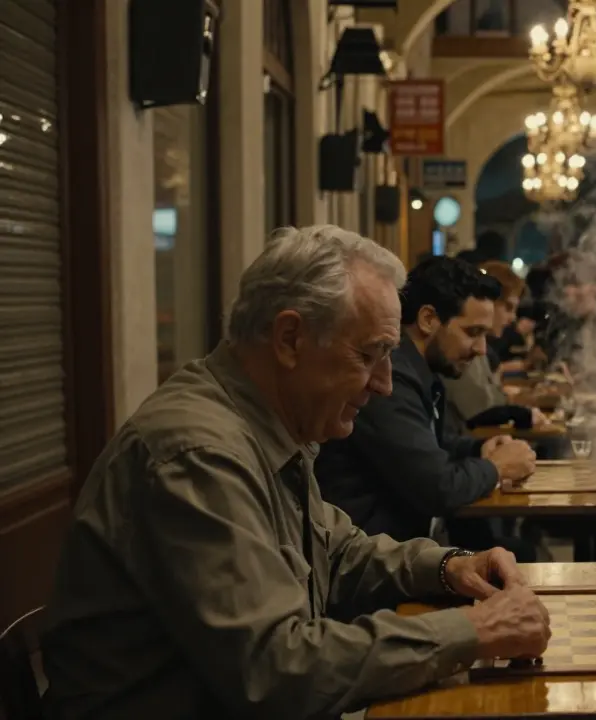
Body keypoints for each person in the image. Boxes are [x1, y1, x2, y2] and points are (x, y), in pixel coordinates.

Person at [40, 226, 552, 720]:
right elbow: (278, 672)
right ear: (289, 338)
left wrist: (448, 566)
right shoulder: (199, 451)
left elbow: (337, 550)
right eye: (369, 355)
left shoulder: (270, 422)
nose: (384, 385)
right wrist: (471, 631)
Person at [314, 255, 537, 557]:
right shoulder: (391, 378)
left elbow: (433, 443)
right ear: (428, 319)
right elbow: (438, 488)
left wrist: (478, 449)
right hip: (372, 561)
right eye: (473, 332)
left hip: (404, 548)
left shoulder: (419, 369)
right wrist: (497, 467)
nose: (482, 349)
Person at [442, 260, 550, 432]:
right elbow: (479, 409)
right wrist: (518, 409)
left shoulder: (479, 345)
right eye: (508, 307)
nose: (513, 318)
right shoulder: (461, 346)